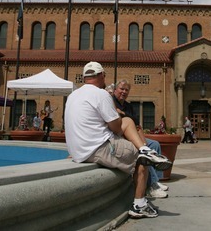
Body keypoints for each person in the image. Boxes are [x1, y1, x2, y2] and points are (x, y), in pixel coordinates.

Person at [64, 62, 172, 218]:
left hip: (78, 151)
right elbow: (115, 127)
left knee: (127, 121)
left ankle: (145, 149)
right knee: (143, 159)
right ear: (101, 75)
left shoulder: (73, 95)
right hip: (97, 149)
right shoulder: (101, 94)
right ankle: (139, 204)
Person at [112, 79, 168, 198]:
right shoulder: (110, 101)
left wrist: (143, 142)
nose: (124, 92)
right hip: (120, 136)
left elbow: (137, 126)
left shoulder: (129, 106)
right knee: (144, 154)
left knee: (154, 144)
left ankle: (157, 180)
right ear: (115, 90)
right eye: (121, 89)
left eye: (127, 90)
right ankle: (152, 185)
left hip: (133, 135)